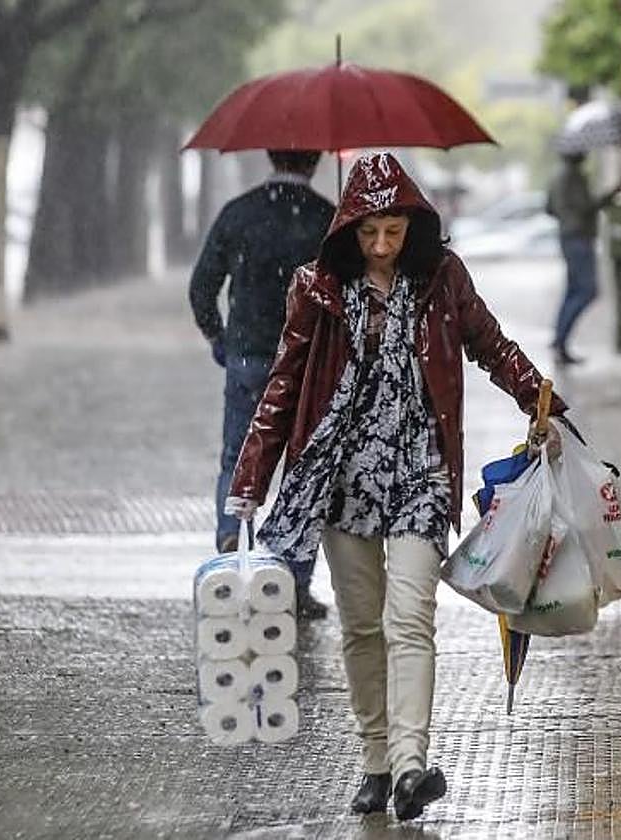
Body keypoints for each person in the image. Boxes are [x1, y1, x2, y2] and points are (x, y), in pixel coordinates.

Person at [223, 152, 571, 821]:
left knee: (409, 619)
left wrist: (541, 398)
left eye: (394, 231)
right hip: (342, 477)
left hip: (420, 470)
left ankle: (413, 765)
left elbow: (490, 344)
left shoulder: (442, 277)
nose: (383, 246)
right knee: (361, 626)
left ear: (412, 223)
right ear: (349, 230)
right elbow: (283, 385)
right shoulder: (315, 288)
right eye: (369, 233)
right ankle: (375, 762)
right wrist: (251, 478)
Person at [189, 149, 335, 619]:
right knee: (302, 469)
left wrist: (220, 338)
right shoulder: (327, 221)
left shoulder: (239, 212)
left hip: (248, 357)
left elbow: (201, 287)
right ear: (314, 164)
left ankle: (231, 555)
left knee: (238, 456)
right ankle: (291, 579)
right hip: (306, 363)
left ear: (270, 157)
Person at [546, 152, 621, 365]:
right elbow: (585, 207)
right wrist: (609, 196)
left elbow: (549, 208)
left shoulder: (557, 175)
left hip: (567, 236)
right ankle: (560, 341)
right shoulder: (573, 176)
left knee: (573, 290)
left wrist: (565, 214)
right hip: (578, 237)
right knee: (587, 290)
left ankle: (560, 342)